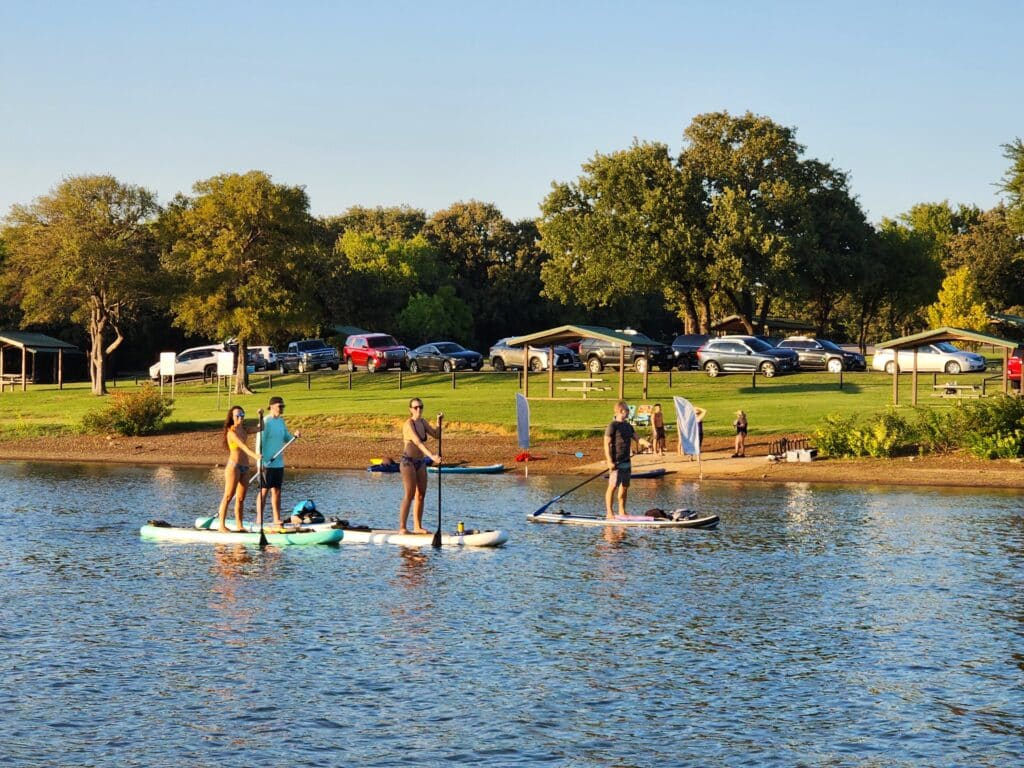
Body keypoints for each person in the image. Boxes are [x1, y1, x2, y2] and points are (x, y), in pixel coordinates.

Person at [398, 398, 442, 534]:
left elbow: (436, 435)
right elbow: (417, 442)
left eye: (420, 407)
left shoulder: (423, 422)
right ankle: (402, 528)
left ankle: (417, 526)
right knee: (409, 494)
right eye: (416, 407)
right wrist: (432, 456)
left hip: (420, 462)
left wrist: (439, 422)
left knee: (421, 495)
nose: (419, 410)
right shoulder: (408, 424)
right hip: (408, 462)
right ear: (410, 409)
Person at [216, 405, 261, 532]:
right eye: (237, 416)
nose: (240, 418)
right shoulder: (231, 433)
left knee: (241, 498)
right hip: (233, 467)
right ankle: (221, 526)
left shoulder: (244, 429)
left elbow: (261, 428)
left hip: (245, 467)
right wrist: (256, 456)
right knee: (228, 496)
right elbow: (243, 447)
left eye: (242, 415)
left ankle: (239, 525)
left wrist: (260, 416)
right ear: (232, 417)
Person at [257, 396, 300, 526]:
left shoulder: (281, 422)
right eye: (280, 406)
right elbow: (259, 443)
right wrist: (260, 462)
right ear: (271, 407)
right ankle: (259, 519)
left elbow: (286, 437)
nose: (282, 409)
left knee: (276, 491)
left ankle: (276, 518)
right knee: (264, 491)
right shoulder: (266, 421)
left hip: (278, 463)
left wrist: (294, 436)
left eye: (283, 406)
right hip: (266, 463)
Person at [604, 400, 639, 519]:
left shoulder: (628, 426)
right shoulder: (612, 425)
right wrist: (609, 461)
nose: (629, 412)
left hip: (626, 461)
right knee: (613, 486)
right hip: (616, 462)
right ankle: (609, 512)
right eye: (627, 410)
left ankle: (622, 511)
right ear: (621, 411)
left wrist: (646, 443)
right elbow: (606, 444)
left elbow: (637, 438)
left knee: (624, 487)